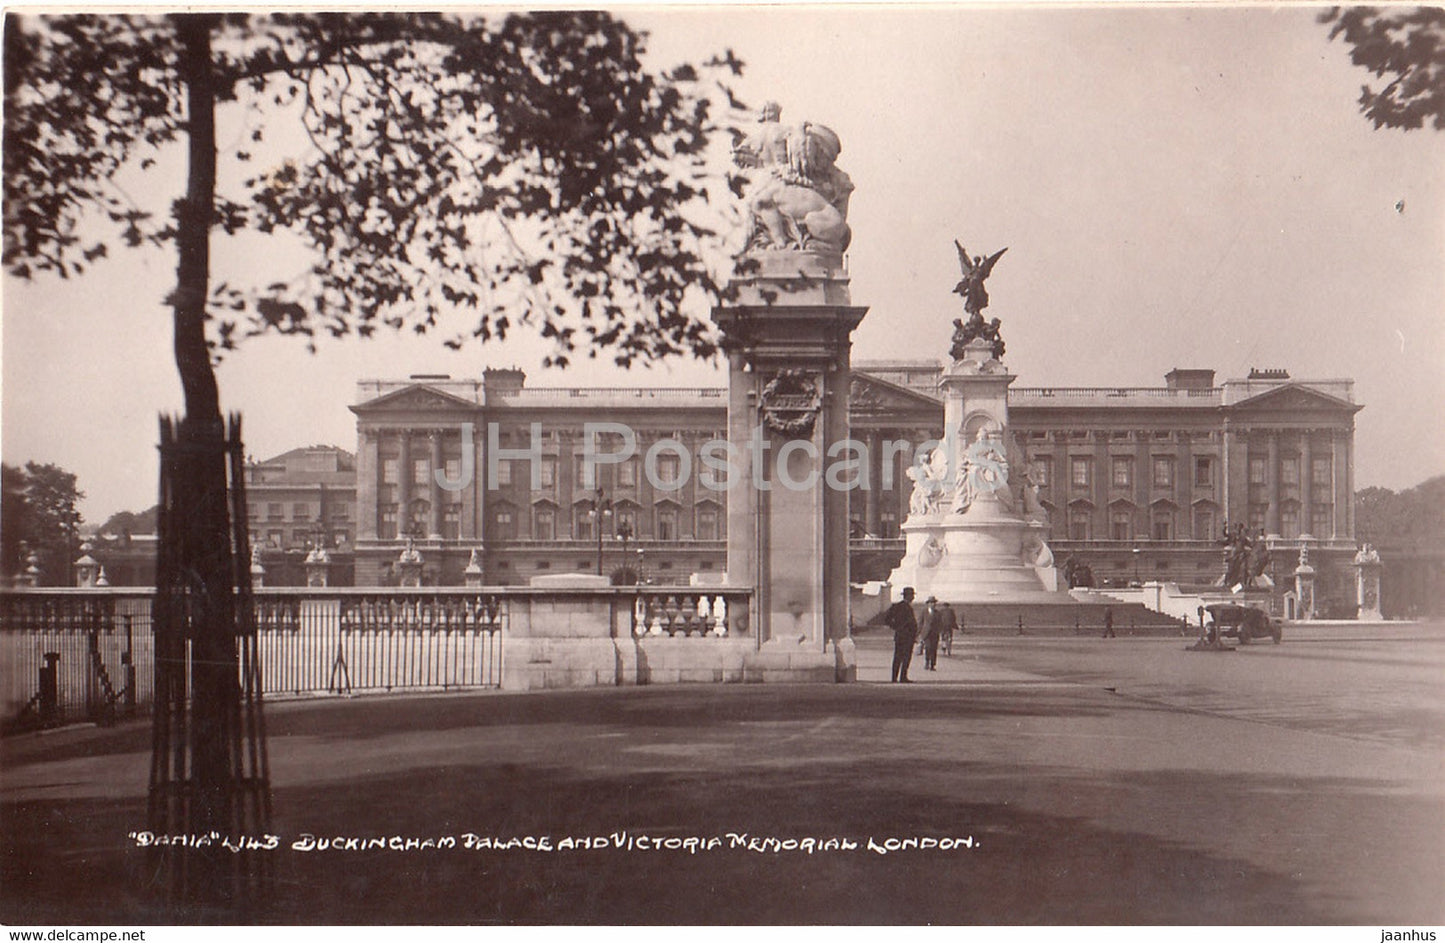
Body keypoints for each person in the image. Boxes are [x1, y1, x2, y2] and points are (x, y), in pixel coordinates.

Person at [886, 587, 919, 683]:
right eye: (912, 595)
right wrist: (899, 627)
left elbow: (888, 620)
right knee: (905, 657)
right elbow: (888, 619)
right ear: (908, 596)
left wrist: (896, 627)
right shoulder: (904, 607)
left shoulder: (897, 606)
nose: (913, 597)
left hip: (900, 636)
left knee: (898, 657)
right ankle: (902, 677)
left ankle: (895, 677)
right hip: (906, 636)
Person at [921, 596, 942, 670]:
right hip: (926, 633)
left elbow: (940, 623)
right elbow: (920, 622)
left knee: (934, 649)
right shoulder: (924, 612)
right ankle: (927, 662)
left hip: (934, 633)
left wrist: (939, 631)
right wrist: (919, 633)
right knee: (928, 648)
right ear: (928, 604)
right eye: (931, 603)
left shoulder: (938, 613)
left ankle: (932, 665)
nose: (933, 604)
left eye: (934, 603)